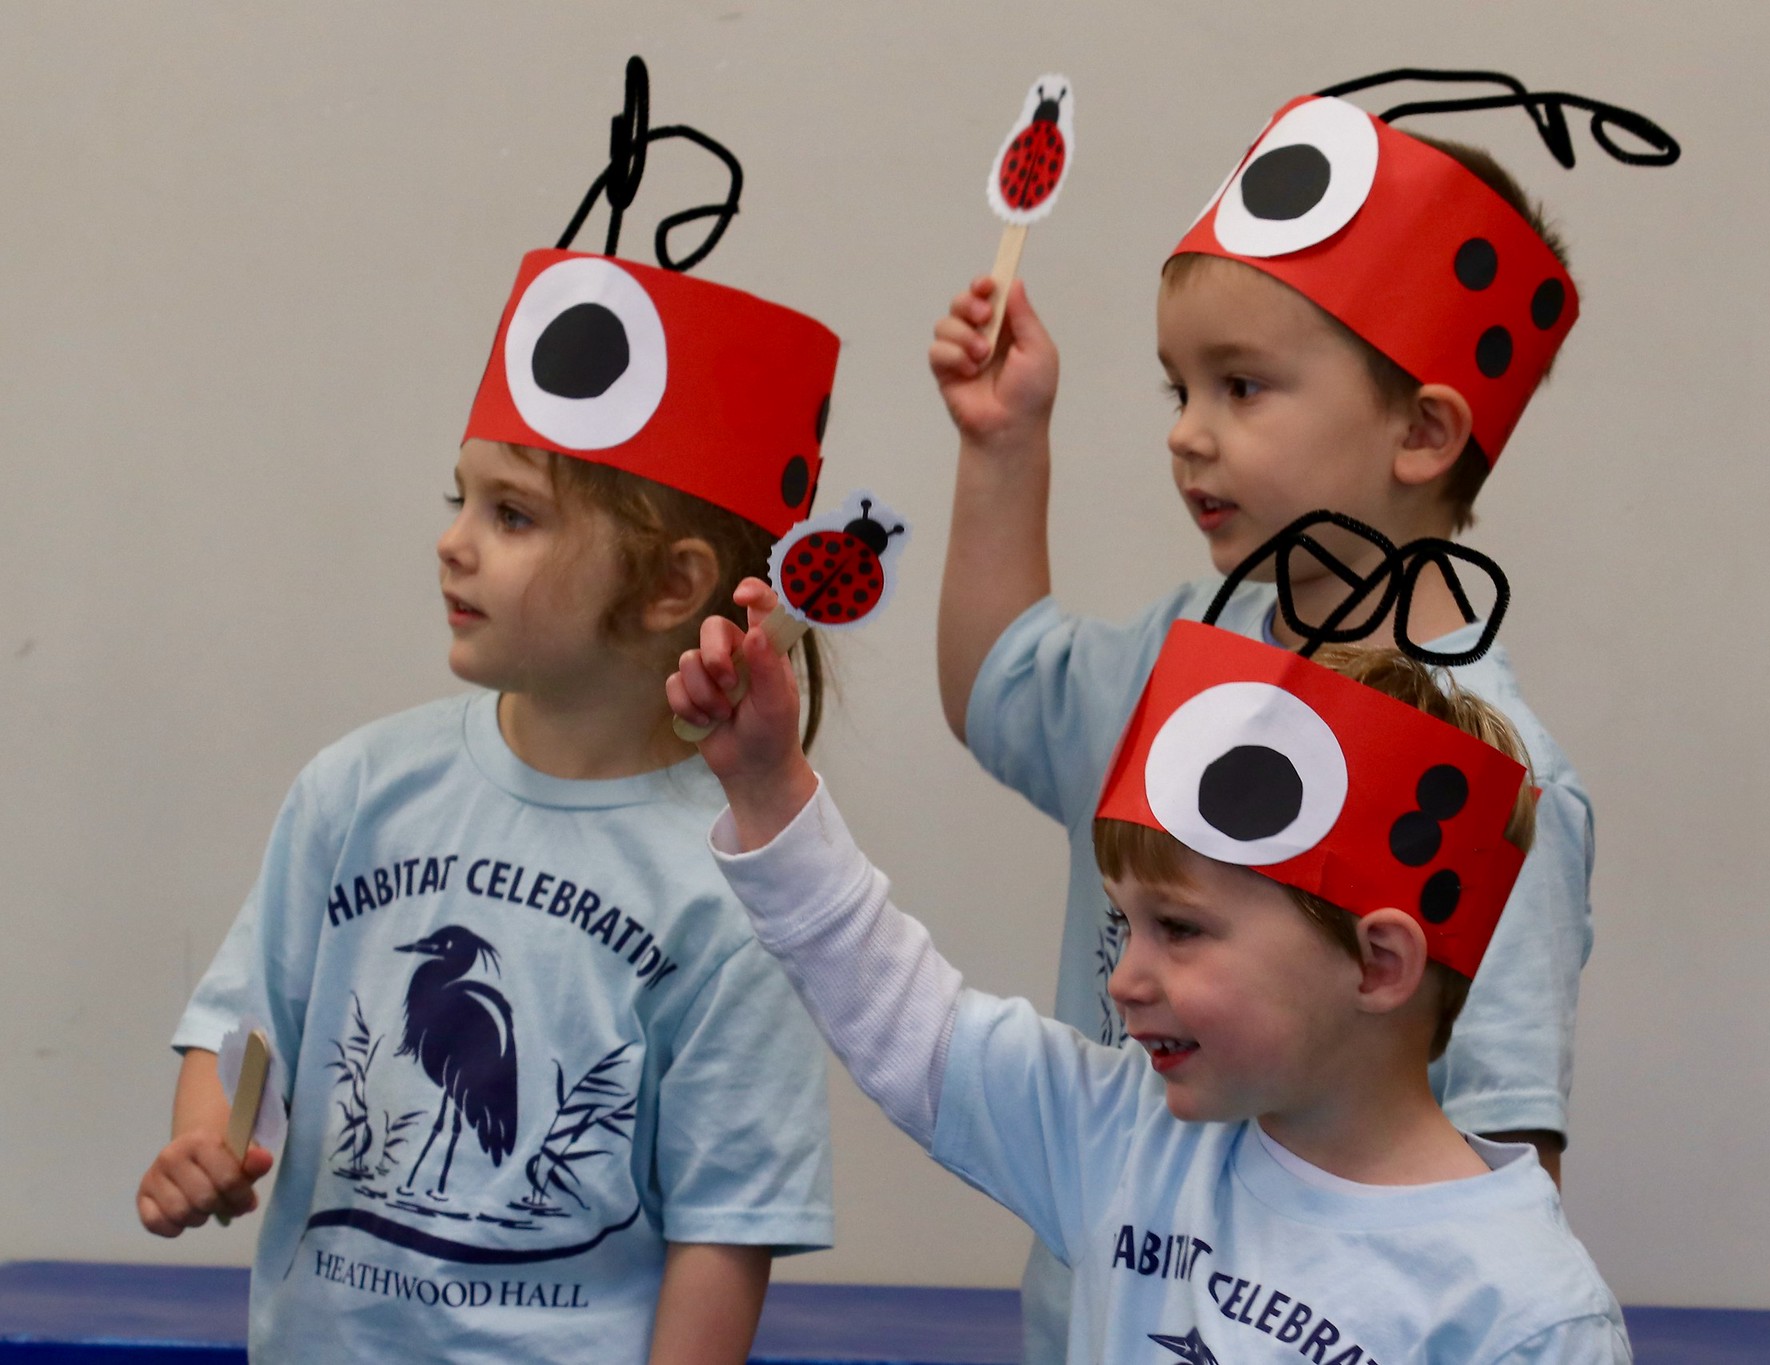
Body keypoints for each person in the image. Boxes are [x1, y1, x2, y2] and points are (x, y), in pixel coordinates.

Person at [928, 71, 1674, 1361]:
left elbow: (1506, 1165)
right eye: (1177, 390)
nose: (1186, 435)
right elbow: (998, 683)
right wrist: (1005, 449)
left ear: (1424, 430)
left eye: (1242, 387)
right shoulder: (1179, 654)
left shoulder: (1498, 779)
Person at [133, 60, 837, 1364]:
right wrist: (203, 1140)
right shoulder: (355, 790)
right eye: (456, 497)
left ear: (667, 586)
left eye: (510, 514)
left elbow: (724, 1231)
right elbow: (245, 1022)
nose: (452, 544)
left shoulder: (739, 884)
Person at [669, 572, 1631, 1363]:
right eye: (1126, 925)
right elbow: (904, 1016)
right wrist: (766, 786)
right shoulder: (1125, 1138)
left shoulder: (1525, 1310)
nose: (1124, 979)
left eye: (1178, 929)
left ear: (1378, 964)